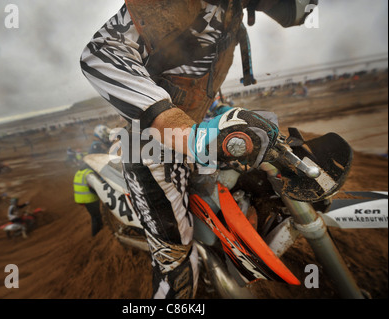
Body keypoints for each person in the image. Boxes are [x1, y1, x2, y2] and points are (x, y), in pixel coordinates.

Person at [80, 0, 318, 299]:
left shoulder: (231, 11)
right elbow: (102, 52)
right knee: (176, 263)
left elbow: (193, 82)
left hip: (195, 135)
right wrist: (181, 129)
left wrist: (218, 116)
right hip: (154, 148)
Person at [73, 163, 103, 237]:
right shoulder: (89, 173)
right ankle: (96, 234)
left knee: (95, 215)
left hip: (80, 198)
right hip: (89, 199)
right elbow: (95, 186)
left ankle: (99, 230)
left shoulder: (78, 172)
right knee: (96, 216)